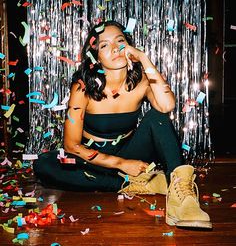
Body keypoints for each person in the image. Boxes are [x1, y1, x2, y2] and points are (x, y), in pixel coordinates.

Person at [33, 20, 212, 229]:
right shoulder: (82, 87)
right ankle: (132, 183)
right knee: (44, 164)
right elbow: (72, 146)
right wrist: (120, 164)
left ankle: (181, 194)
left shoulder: (143, 81)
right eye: (104, 45)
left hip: (131, 151)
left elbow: (167, 105)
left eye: (120, 41)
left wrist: (144, 59)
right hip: (93, 160)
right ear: (96, 57)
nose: (115, 48)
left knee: (157, 118)